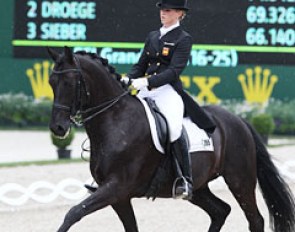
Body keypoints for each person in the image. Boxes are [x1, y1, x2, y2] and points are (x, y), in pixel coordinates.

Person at [121, 0, 216, 200]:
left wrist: (145, 82)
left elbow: (174, 71)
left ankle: (184, 179)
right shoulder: (153, 36)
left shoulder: (183, 38)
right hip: (145, 89)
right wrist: (130, 78)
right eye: (162, 10)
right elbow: (141, 64)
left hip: (167, 91)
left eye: (168, 10)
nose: (163, 13)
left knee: (173, 128)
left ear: (180, 13)